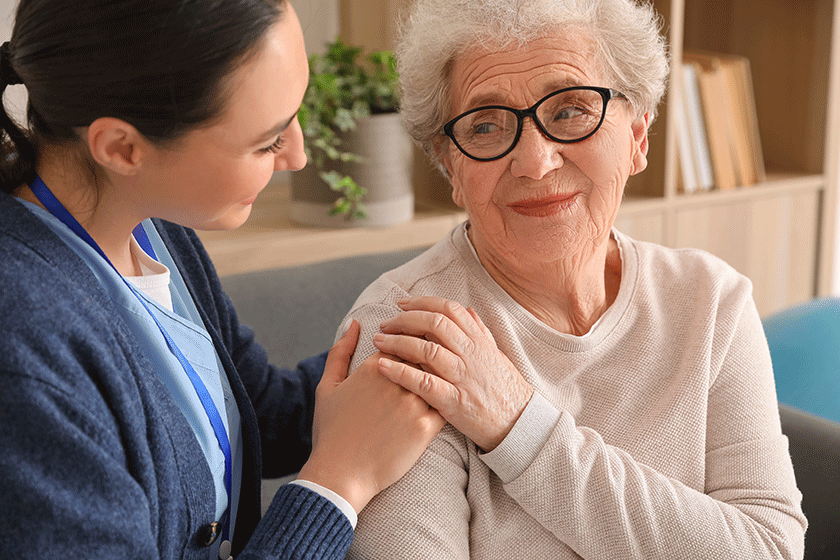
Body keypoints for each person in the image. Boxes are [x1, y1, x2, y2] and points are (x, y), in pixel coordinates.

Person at [338, 0, 808, 558]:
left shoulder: (711, 302)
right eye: (485, 125)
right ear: (450, 167)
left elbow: (770, 549)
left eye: (569, 111)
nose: (535, 162)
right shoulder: (412, 332)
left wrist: (520, 427)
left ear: (637, 137)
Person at [0, 1, 445, 558]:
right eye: (267, 141)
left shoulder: (153, 225)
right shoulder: (23, 360)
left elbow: (259, 410)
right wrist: (339, 484)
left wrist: (409, 349)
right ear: (121, 148)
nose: (300, 156)